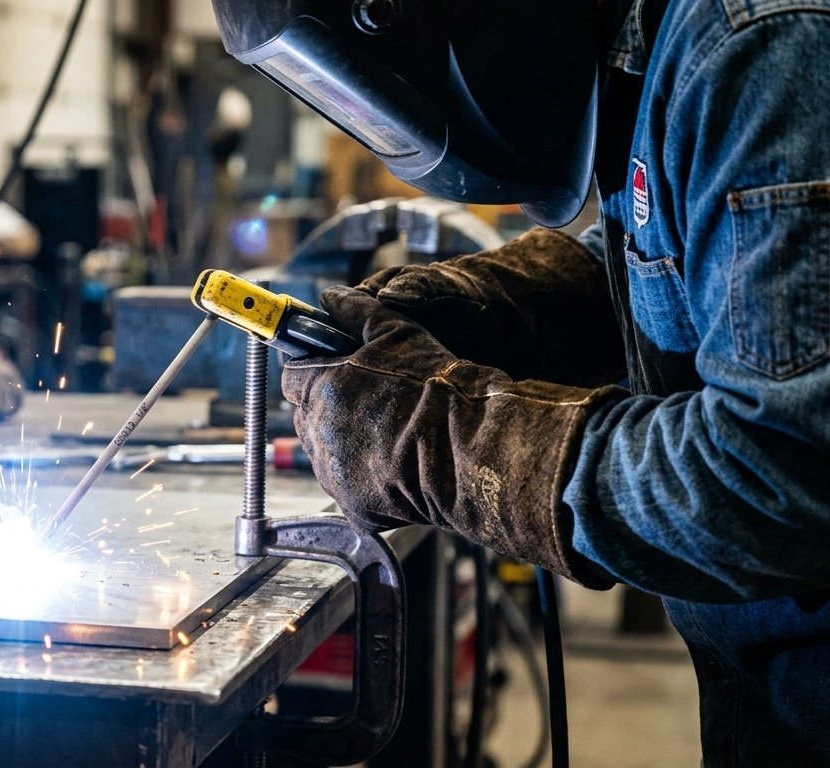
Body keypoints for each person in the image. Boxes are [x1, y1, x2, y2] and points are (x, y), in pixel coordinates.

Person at [212, 0, 830, 763]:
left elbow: (775, 474)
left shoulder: (758, 43)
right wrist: (496, 305)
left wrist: (440, 439)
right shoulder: (659, 46)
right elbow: (695, 265)